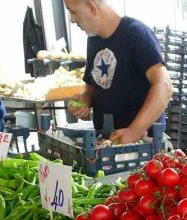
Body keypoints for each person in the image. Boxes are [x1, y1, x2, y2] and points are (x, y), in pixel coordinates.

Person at [64, 0, 172, 145]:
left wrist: (135, 131)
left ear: (91, 7)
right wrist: (85, 100)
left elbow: (164, 86)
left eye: (73, 12)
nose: (72, 20)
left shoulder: (136, 33)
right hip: (108, 141)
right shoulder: (93, 40)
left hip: (144, 144)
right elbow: (92, 85)